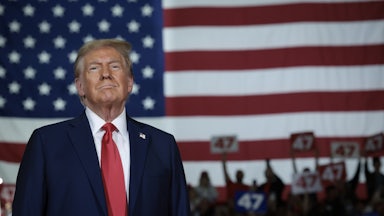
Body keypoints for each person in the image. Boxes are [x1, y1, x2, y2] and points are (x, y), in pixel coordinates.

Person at [12, 39, 191, 215]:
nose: (106, 74)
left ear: (129, 83)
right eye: (94, 68)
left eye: (114, 66)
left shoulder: (163, 145)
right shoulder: (47, 144)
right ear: (80, 86)